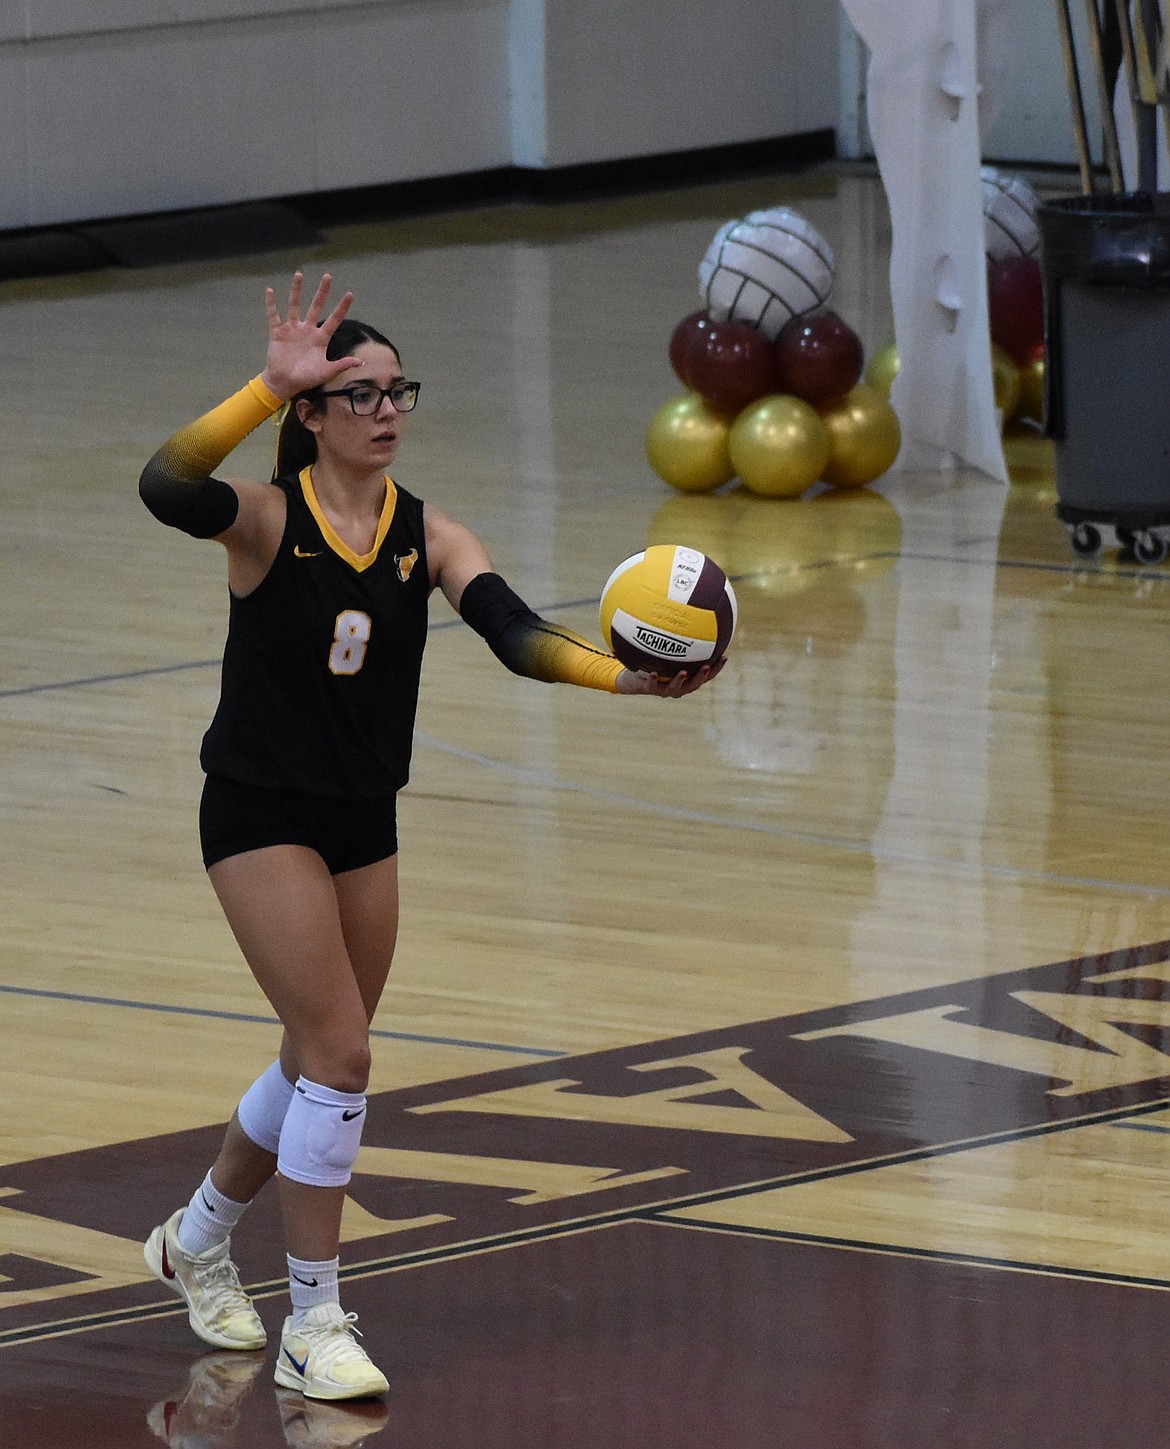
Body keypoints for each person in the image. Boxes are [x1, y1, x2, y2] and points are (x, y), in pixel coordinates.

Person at [137, 272, 721, 1402]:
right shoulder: (265, 521)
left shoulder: (428, 531)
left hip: (364, 817)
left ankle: (195, 1238)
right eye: (358, 393)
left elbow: (512, 634)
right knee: (344, 1056)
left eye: (398, 388)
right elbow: (166, 484)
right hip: (258, 812)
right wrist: (264, 386)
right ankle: (316, 1319)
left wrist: (625, 682)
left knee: (322, 1056)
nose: (387, 407)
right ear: (313, 415)